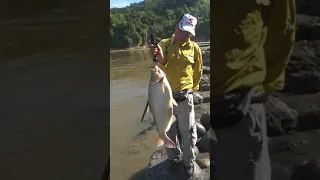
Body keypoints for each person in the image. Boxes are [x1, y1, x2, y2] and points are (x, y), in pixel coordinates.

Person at [209, 0, 296, 180]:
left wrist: (264, 84)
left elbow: (282, 26)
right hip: (236, 97)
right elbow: (283, 27)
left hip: (241, 100)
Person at [149, 13, 203, 176]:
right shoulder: (164, 44)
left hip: (185, 97)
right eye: (183, 31)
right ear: (177, 27)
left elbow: (198, 71)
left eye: (188, 33)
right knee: (169, 131)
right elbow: (163, 61)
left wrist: (193, 89)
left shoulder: (195, 48)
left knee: (188, 134)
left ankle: (189, 163)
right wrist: (157, 54)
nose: (184, 36)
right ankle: (172, 157)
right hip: (166, 99)